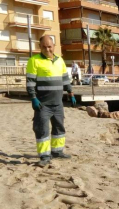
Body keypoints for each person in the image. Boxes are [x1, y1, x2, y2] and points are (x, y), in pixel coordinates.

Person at [26, 35, 75, 167]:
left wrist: (70, 92)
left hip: (58, 103)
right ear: (40, 47)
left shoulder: (60, 60)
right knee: (42, 130)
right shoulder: (34, 60)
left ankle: (57, 152)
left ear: (54, 46)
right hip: (42, 104)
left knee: (59, 128)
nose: (47, 49)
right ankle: (44, 156)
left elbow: (65, 78)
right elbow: (30, 82)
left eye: (50, 46)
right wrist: (33, 97)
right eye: (44, 47)